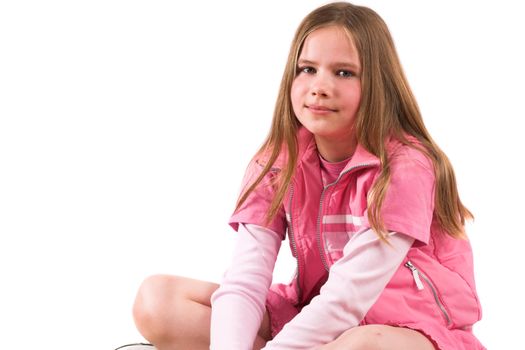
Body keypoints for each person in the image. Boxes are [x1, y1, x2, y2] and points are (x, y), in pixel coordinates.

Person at [131, 2, 484, 349]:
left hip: (407, 329)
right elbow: (245, 280)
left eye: (344, 72)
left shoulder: (406, 166)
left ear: (378, 83)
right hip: (314, 315)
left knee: (365, 344)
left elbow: (348, 296)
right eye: (307, 69)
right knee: (157, 300)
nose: (319, 86)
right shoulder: (277, 161)